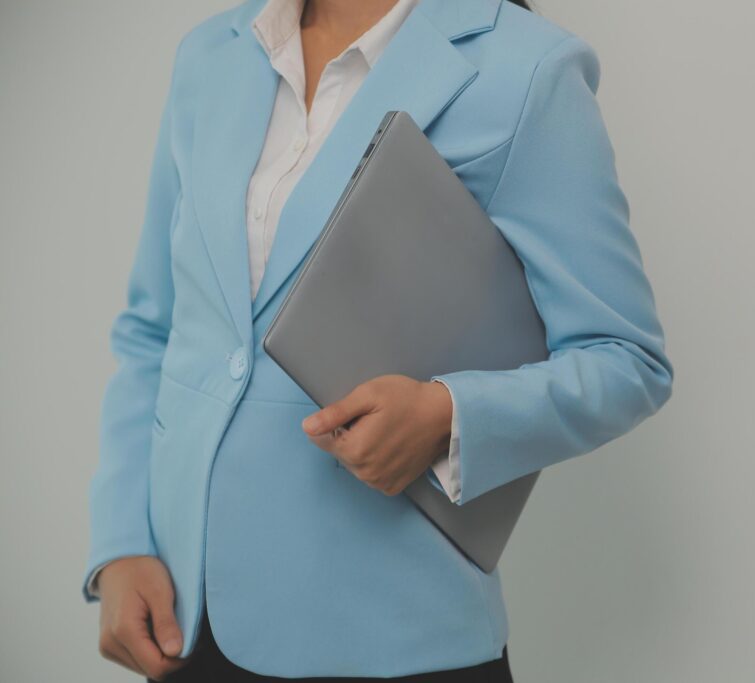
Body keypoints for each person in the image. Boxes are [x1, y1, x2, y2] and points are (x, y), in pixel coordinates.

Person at [83, 0, 674, 680]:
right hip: (190, 621)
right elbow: (153, 328)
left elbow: (625, 358)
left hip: (394, 636)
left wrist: (446, 416)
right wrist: (123, 542)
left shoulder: (526, 70)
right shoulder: (211, 55)